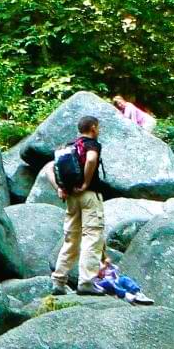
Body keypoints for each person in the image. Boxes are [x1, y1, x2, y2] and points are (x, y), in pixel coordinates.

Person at [51, 115, 108, 295]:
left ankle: (58, 281)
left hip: (71, 198)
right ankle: (86, 282)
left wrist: (60, 188)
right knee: (92, 237)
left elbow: (48, 170)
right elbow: (91, 159)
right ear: (93, 128)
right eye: (97, 127)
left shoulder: (69, 147)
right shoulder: (91, 144)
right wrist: (85, 183)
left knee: (71, 239)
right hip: (89, 196)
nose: (98, 131)